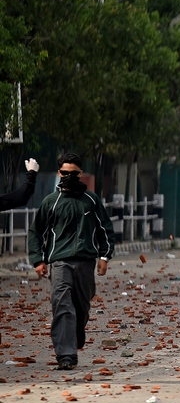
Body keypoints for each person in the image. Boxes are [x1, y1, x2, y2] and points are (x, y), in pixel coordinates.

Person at [28, 153, 114, 371]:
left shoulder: (91, 200)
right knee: (63, 306)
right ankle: (66, 355)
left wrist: (104, 256)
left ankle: (75, 335)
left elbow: (105, 229)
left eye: (73, 173)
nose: (68, 176)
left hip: (86, 263)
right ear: (59, 173)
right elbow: (35, 232)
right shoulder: (51, 202)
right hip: (60, 263)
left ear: (80, 174)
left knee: (81, 307)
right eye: (65, 173)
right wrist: (38, 260)